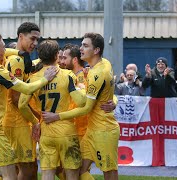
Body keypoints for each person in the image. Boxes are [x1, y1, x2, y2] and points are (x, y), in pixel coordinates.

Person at [0, 32, 57, 180]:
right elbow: (26, 89)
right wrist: (45, 79)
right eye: (3, 47)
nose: (6, 51)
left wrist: (21, 53)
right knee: (10, 175)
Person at [42, 33, 120, 180]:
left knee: (109, 172)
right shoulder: (103, 65)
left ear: (96, 50)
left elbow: (86, 108)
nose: (81, 48)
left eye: (85, 46)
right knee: (75, 171)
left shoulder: (97, 73)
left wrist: (56, 116)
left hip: (103, 131)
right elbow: (108, 92)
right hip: (90, 131)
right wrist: (114, 101)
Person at [19, 40, 86, 180]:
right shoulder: (67, 75)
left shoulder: (33, 79)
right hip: (67, 131)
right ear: (57, 55)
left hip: (46, 132)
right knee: (72, 174)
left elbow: (21, 105)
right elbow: (81, 102)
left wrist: (35, 122)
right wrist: (83, 89)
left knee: (47, 174)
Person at [2, 22, 41, 180]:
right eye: (32, 38)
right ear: (20, 36)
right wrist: (38, 117)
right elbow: (17, 98)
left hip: (17, 119)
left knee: (27, 167)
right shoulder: (17, 60)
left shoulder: (21, 58)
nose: (35, 43)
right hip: (16, 120)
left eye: (38, 40)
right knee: (27, 168)